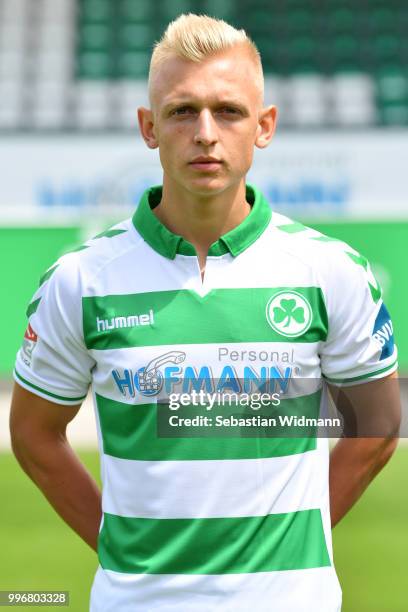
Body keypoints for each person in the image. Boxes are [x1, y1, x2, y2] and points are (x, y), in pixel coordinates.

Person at [10, 13, 400, 612]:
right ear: (149, 127)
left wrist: (295, 547)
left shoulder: (332, 271)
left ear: (265, 126)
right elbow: (34, 434)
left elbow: (375, 429)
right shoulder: (79, 281)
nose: (206, 133)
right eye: (182, 111)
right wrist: (120, 548)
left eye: (229, 111)